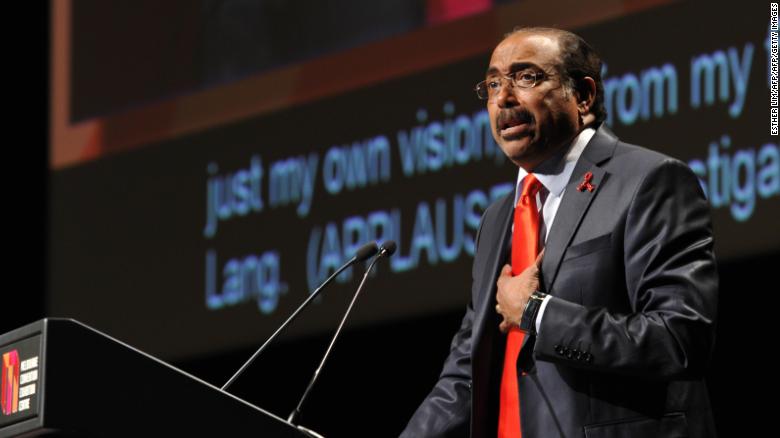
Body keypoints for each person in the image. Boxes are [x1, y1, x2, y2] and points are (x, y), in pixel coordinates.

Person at [400, 27, 718, 438]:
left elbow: (678, 339)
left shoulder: (650, 181)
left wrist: (537, 313)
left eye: (526, 77)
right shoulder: (498, 217)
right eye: (494, 83)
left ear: (583, 97)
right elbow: (466, 372)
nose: (503, 98)